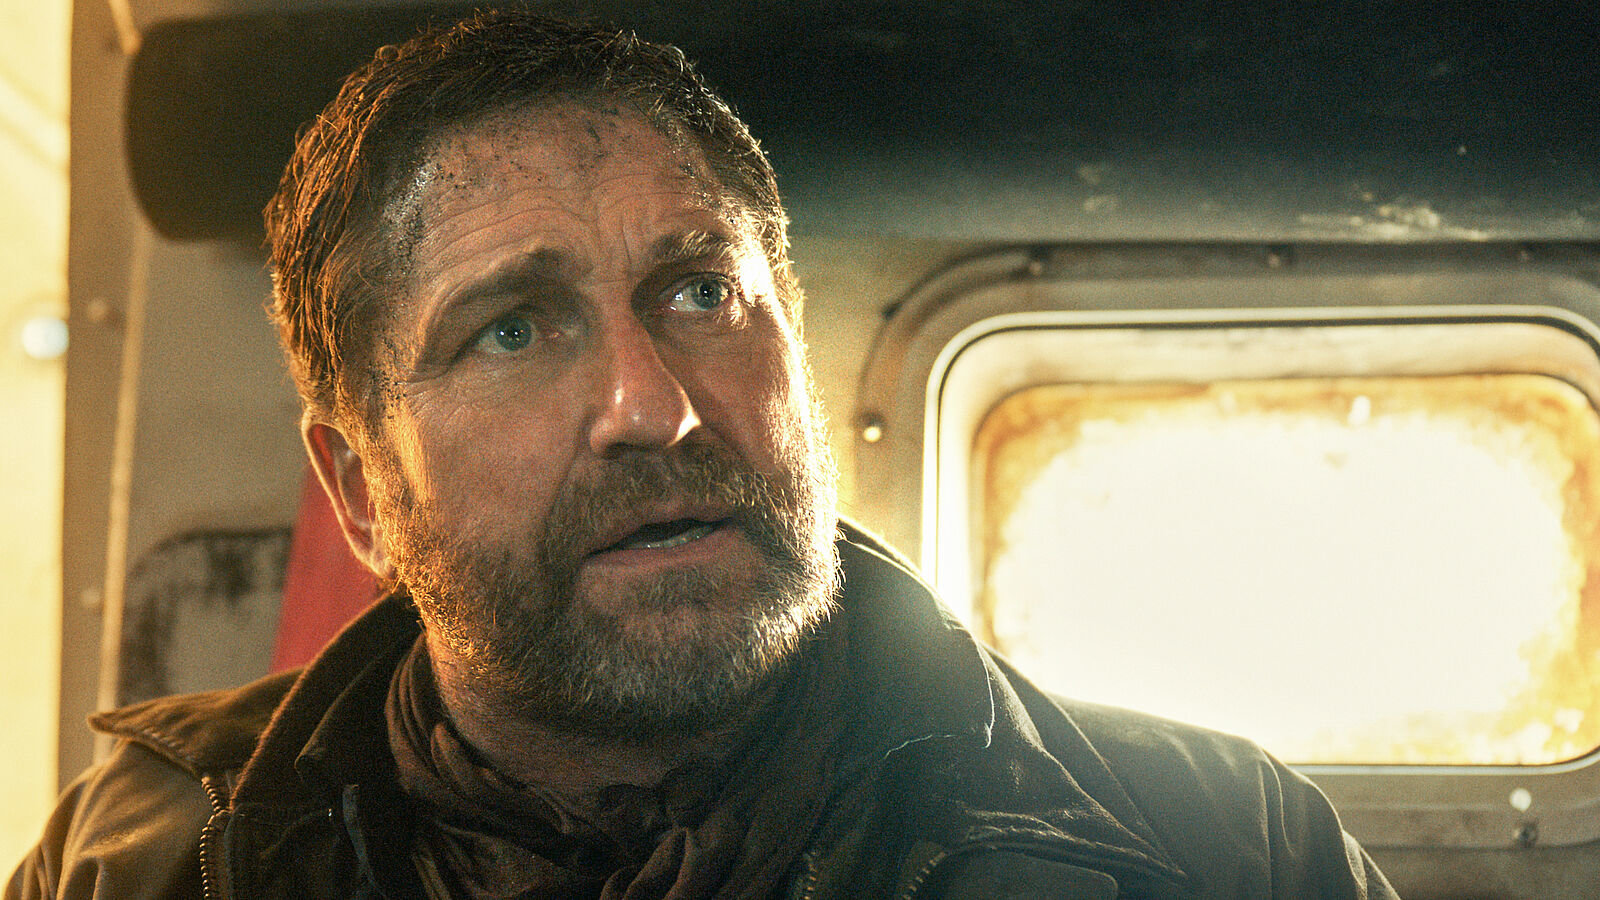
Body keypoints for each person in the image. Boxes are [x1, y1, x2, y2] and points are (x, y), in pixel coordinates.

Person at [9, 10, 1398, 899]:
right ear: (366, 493)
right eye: (512, 330)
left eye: (699, 291)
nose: (652, 405)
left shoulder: (1224, 849)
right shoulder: (132, 858)